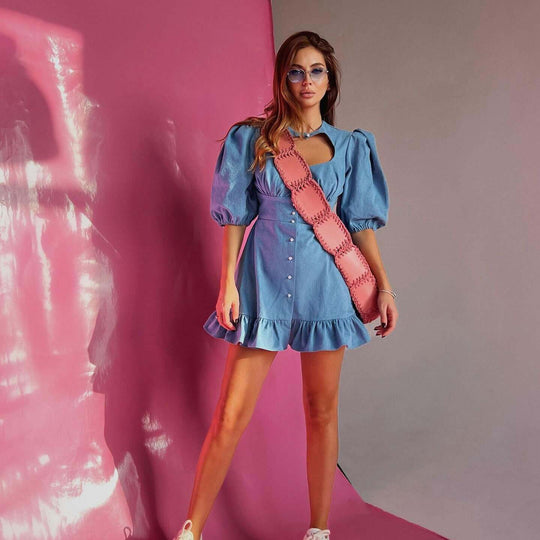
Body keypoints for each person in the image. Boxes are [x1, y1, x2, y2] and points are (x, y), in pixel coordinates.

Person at [173, 30, 398, 540]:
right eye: (296, 71)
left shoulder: (351, 147)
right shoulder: (252, 140)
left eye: (316, 71)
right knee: (230, 415)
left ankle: (319, 530)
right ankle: (191, 531)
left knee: (321, 412)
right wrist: (227, 284)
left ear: (330, 79)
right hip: (263, 286)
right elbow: (235, 217)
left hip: (326, 290)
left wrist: (384, 287)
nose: (306, 81)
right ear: (282, 79)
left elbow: (361, 225)